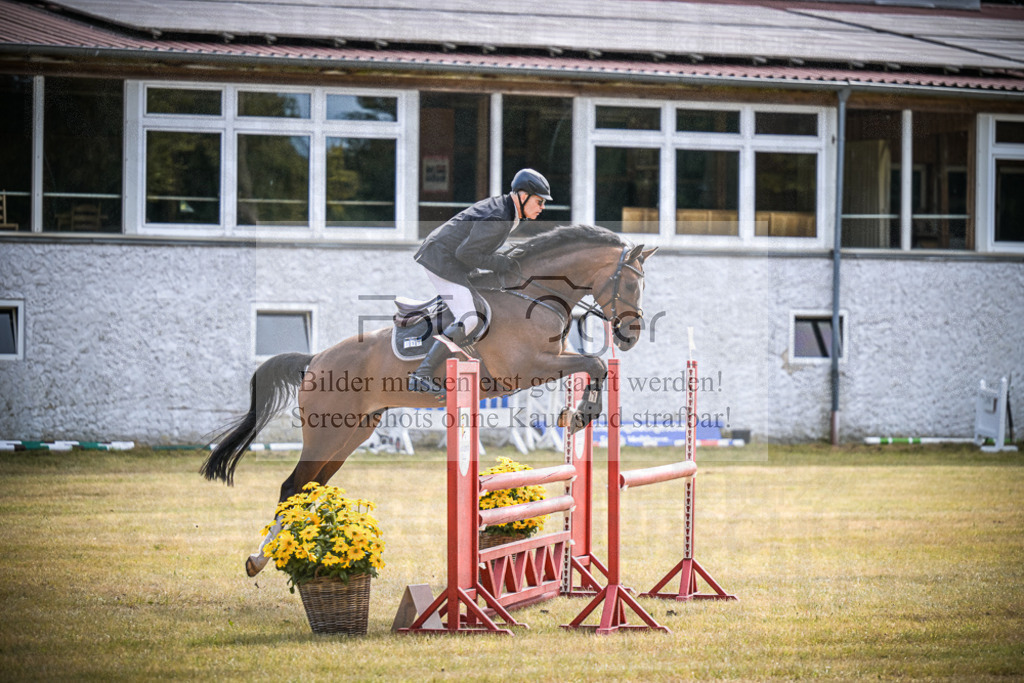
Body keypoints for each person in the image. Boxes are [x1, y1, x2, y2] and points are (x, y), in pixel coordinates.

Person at [408, 168, 552, 396]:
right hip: (441, 260)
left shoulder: (507, 212)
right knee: (471, 318)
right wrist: (500, 263)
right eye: (539, 202)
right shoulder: (499, 216)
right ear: (523, 196)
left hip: (452, 258)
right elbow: (466, 253)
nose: (542, 208)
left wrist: (502, 262)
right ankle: (421, 374)